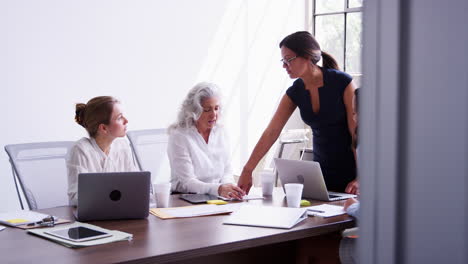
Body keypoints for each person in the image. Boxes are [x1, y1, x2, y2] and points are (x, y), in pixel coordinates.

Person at [238, 31, 358, 194]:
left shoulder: (343, 82)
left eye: (289, 59)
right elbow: (271, 132)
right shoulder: (294, 92)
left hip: (352, 178)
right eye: (283, 60)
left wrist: (363, 177)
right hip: (320, 177)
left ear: (307, 56)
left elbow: (356, 133)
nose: (284, 65)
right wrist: (247, 170)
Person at [167, 82, 245, 200]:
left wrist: (228, 188)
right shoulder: (179, 136)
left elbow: (227, 169)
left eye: (216, 108)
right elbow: (188, 182)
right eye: (207, 110)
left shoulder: (221, 132)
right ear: (194, 111)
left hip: (216, 197)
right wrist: (219, 189)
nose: (214, 115)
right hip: (185, 199)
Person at [67, 96, 138, 206]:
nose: (126, 121)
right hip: (93, 216)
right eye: (119, 118)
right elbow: (75, 198)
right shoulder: (80, 150)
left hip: (120, 211)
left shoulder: (123, 146)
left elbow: (137, 184)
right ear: (103, 128)